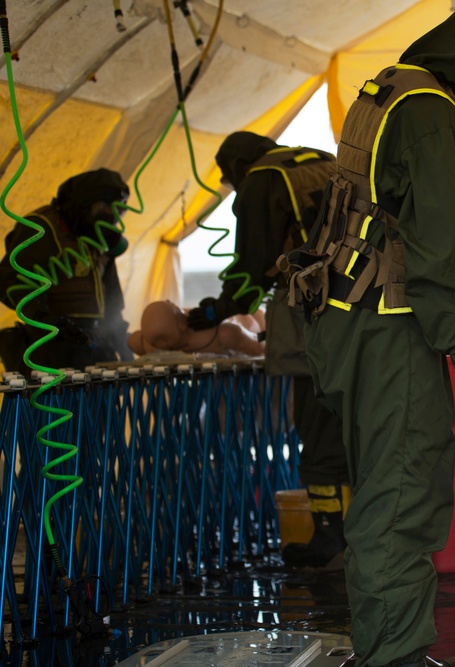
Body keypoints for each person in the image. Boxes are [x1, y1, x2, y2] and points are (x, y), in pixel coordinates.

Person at [299, 2, 455, 665]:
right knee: (402, 498)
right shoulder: (434, 117)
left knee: (381, 494)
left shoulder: (388, 92)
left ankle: (387, 647)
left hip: (349, 323)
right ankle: (398, 655)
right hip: (393, 330)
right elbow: (440, 251)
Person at [186, 132, 350, 569]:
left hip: (315, 312)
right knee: (362, 425)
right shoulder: (321, 160)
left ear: (239, 167)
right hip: (369, 311)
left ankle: (331, 538)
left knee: (317, 424)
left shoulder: (264, 178)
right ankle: (370, 533)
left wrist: (216, 311)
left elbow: (251, 266)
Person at [0, 169, 133, 374]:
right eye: (107, 208)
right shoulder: (42, 227)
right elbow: (10, 282)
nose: (113, 217)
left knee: (97, 406)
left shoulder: (98, 237)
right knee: (55, 405)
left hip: (94, 347)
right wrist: (46, 321)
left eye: (119, 210)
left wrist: (122, 342)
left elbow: (112, 296)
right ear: (86, 205)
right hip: (50, 350)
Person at [127, 300, 265, 356]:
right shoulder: (152, 343)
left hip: (251, 321)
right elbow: (135, 341)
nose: (163, 344)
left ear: (181, 326)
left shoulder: (223, 333)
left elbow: (260, 349)